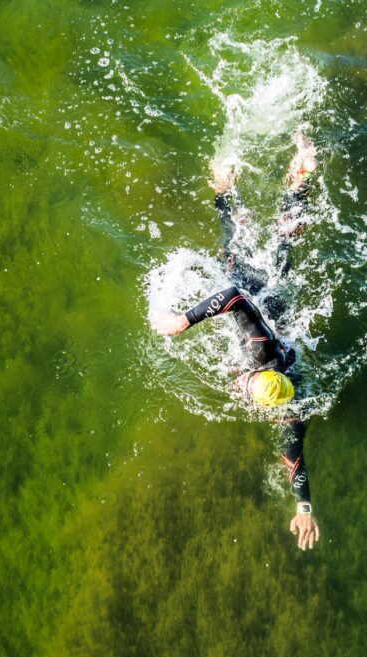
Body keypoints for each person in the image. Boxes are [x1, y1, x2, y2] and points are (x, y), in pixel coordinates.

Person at [152, 133, 321, 550]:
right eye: (246, 387)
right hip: (259, 290)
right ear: (255, 376)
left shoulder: (289, 407)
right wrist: (182, 322)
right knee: (239, 235)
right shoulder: (259, 353)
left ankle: (300, 173)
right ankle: (229, 182)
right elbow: (233, 295)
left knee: (285, 239)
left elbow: (295, 459)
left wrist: (304, 509)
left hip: (279, 304)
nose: (240, 388)